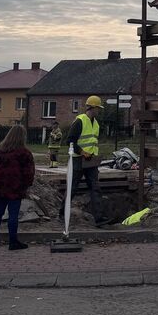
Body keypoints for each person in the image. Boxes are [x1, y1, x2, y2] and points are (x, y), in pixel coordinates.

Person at [0, 125, 34, 251]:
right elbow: (28, 172)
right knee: (13, 215)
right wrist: (27, 185)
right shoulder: (24, 152)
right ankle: (13, 242)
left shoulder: (0, 148)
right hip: (15, 186)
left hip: (0, 185)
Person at [65, 95, 106, 224]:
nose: (98, 111)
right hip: (78, 159)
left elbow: (92, 142)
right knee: (72, 187)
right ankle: (62, 213)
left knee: (95, 188)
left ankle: (99, 217)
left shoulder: (96, 124)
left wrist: (92, 155)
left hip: (91, 161)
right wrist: (82, 152)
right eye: (97, 108)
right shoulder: (80, 121)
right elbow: (70, 140)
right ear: (92, 107)